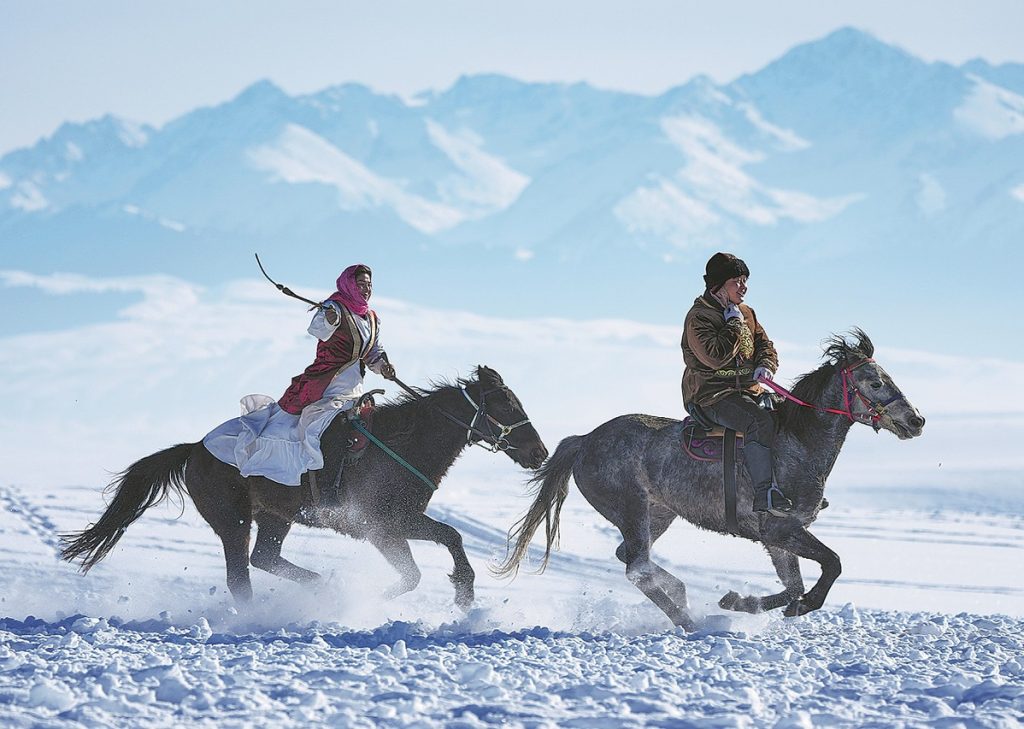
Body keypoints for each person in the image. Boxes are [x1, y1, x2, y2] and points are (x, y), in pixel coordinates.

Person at [203, 264, 396, 487]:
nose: (366, 289)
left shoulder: (371, 318)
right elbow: (318, 330)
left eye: (369, 285)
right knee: (314, 429)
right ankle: (314, 482)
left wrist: (383, 366)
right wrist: (330, 319)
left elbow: (372, 352)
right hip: (328, 386)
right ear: (349, 285)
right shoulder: (333, 307)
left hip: (355, 390)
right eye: (361, 284)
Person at [681, 252, 793, 516]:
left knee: (792, 416)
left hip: (750, 390)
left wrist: (766, 365)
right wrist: (733, 325)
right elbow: (715, 357)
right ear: (718, 285)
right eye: (737, 281)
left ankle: (796, 486)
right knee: (759, 422)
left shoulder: (746, 312)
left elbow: (765, 345)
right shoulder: (699, 317)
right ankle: (764, 493)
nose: (744, 287)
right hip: (713, 394)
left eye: (745, 281)